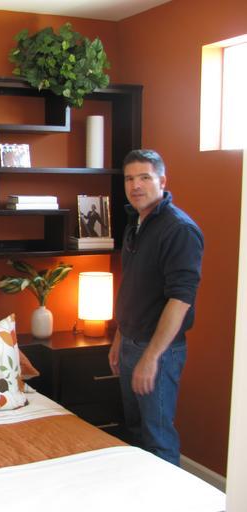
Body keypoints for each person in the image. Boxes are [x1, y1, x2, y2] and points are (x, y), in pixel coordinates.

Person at [109, 149, 203, 466]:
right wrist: (120, 337)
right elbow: (133, 287)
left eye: (144, 177)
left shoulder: (179, 229)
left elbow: (181, 299)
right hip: (130, 342)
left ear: (162, 181)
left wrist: (151, 357)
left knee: (157, 437)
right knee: (135, 432)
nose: (136, 185)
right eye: (129, 179)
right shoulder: (136, 223)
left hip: (159, 350)